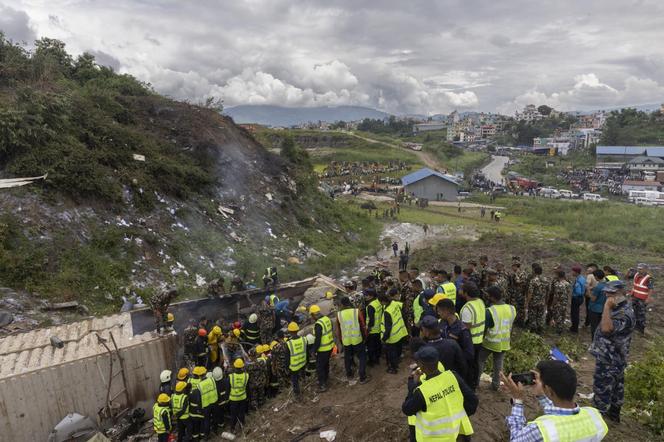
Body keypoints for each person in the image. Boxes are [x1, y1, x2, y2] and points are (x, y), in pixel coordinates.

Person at [500, 360, 608, 441]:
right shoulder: (594, 415)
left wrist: (518, 401)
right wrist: (542, 395)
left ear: (549, 390)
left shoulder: (540, 430)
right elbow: (561, 414)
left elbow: (515, 439)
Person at [402, 346, 477, 442]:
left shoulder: (422, 391)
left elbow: (407, 409)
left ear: (422, 366)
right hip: (455, 433)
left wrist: (413, 385)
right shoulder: (453, 376)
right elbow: (473, 400)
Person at [590, 280, 635, 423]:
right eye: (607, 292)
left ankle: (599, 418)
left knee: (602, 387)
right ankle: (614, 415)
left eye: (612, 293)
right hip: (612, 356)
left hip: (610, 359)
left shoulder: (624, 313)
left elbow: (607, 329)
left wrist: (606, 307)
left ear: (622, 293)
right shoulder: (617, 308)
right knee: (617, 386)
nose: (608, 296)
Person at [477, 286, 516, 391]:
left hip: (490, 342)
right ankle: (496, 384)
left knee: (480, 360)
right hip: (504, 341)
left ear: (492, 297)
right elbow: (510, 325)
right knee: (498, 363)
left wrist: (480, 341)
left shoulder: (490, 311)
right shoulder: (512, 308)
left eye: (488, 296)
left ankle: (475, 382)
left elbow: (484, 329)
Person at [420, 315, 467, 379]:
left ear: (427, 332)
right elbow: (463, 365)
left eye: (422, 330)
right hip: (454, 380)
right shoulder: (452, 343)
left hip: (437, 384)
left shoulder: (425, 351)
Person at [336, 296, 368, 383]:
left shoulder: (339, 314)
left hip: (346, 340)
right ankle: (362, 377)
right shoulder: (356, 311)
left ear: (342, 304)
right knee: (362, 357)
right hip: (357, 338)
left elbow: (338, 329)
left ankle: (349, 374)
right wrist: (365, 335)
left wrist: (340, 340)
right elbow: (362, 324)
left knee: (348, 357)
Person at [437, 298, 474, 372]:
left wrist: (456, 359)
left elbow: (469, 353)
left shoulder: (462, 330)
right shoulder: (442, 323)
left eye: (439, 311)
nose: (438, 313)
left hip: (457, 368)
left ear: (446, 311)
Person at [460, 282, 485, 390]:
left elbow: (466, 327)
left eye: (461, 289)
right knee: (475, 364)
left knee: (469, 366)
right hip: (479, 339)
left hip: (470, 341)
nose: (459, 291)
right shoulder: (480, 302)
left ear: (466, 293)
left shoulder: (467, 308)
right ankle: (475, 383)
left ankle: (469, 386)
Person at [380, 293, 408, 374]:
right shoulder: (394, 303)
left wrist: (384, 339)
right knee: (398, 349)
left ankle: (393, 368)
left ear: (383, 301)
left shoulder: (387, 312)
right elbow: (402, 306)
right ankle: (398, 360)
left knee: (391, 353)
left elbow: (388, 328)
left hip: (392, 337)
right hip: (400, 332)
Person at [310, 305, 335, 392]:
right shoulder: (327, 319)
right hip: (330, 346)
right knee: (326, 363)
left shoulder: (318, 324)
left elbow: (318, 339)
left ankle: (322, 385)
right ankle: (326, 379)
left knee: (319, 367)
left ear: (313, 315)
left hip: (323, 348)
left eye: (311, 315)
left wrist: (314, 350)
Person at [630, 263, 654, 334]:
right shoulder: (636, 274)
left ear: (646, 269)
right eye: (638, 268)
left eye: (640, 269)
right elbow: (627, 277)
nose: (639, 270)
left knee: (641, 313)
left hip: (642, 299)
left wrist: (648, 298)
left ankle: (641, 329)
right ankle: (634, 326)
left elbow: (650, 289)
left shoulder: (649, 278)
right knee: (634, 311)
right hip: (634, 297)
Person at [227, 358, 249, 433]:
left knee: (233, 415)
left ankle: (232, 428)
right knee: (241, 413)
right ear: (242, 366)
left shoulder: (231, 376)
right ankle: (242, 425)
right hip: (243, 397)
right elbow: (247, 388)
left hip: (233, 399)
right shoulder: (246, 376)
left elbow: (228, 389)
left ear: (235, 366)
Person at [285, 322, 307, 398]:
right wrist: (306, 361)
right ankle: (304, 383)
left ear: (290, 332)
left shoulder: (289, 343)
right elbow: (306, 351)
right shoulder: (304, 339)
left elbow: (287, 357)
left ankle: (297, 394)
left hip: (294, 366)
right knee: (302, 375)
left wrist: (287, 367)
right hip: (302, 362)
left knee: (295, 380)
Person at [526, 263, 548, 334]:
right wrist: (546, 301)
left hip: (533, 302)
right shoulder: (546, 280)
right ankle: (540, 330)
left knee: (532, 316)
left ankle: (533, 331)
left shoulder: (533, 280)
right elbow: (548, 291)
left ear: (535, 271)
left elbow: (530, 292)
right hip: (542, 302)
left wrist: (527, 302)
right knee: (540, 316)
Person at [364, 288, 383, 366]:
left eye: (366, 295)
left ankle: (371, 361)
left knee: (371, 347)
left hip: (372, 330)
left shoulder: (370, 306)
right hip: (379, 328)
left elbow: (371, 319)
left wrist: (368, 329)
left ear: (371, 296)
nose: (365, 296)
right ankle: (377, 359)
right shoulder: (378, 302)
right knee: (378, 345)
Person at [197, 367, 218, 437]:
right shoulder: (212, 379)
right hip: (214, 402)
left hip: (206, 406)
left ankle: (207, 435)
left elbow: (199, 399)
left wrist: (199, 408)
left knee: (207, 420)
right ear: (205, 373)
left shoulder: (199, 385)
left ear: (199, 376)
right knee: (215, 417)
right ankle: (215, 430)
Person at [550, 270, 571, 334]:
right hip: (564, 302)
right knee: (563, 315)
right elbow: (568, 292)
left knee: (558, 316)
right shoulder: (567, 283)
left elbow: (556, 296)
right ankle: (561, 328)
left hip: (558, 302)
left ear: (558, 276)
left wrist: (552, 304)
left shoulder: (558, 285)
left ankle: (558, 330)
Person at [586, 269, 606, 338]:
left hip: (594, 309)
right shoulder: (606, 285)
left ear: (597, 277)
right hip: (602, 308)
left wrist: (588, 290)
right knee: (599, 326)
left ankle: (594, 341)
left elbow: (593, 299)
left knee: (594, 326)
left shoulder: (598, 287)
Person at [509, 259, 528, 327]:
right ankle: (516, 321)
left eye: (513, 266)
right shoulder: (513, 274)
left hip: (520, 293)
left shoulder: (522, 273)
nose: (512, 267)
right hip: (514, 293)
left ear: (516, 266)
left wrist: (516, 277)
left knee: (521, 308)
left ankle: (521, 322)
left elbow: (521, 282)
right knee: (514, 308)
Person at [188, 368, 205, 440]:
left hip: (192, 407)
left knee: (195, 425)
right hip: (200, 406)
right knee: (202, 424)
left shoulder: (189, 380)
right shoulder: (201, 381)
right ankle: (202, 437)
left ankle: (195, 438)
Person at [568, 265, 586, 333]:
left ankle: (574, 329)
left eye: (573, 271)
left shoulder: (578, 281)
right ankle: (574, 327)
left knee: (574, 313)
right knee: (576, 312)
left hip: (576, 298)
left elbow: (578, 292)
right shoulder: (582, 278)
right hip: (580, 298)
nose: (571, 272)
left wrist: (574, 292)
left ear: (576, 272)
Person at [211, 367, 227, 433]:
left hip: (218, 403)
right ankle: (222, 423)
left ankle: (221, 424)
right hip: (226, 401)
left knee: (219, 414)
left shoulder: (213, 384)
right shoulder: (226, 381)